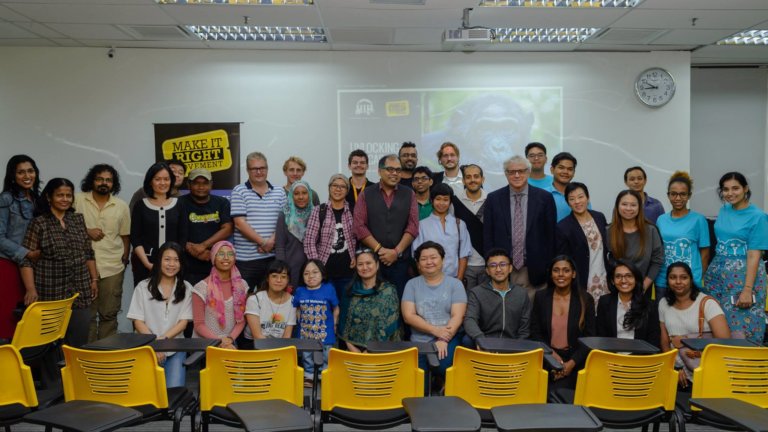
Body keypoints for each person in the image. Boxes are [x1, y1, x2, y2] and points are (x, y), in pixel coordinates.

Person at [20, 178, 97, 348]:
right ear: (49, 197)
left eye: (68, 195)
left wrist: (94, 279)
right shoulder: (39, 223)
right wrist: (30, 289)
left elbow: (88, 252)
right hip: (50, 292)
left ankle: (75, 375)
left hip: (80, 291)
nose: (65, 199)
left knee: (79, 341)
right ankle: (53, 376)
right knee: (50, 344)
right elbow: (26, 259)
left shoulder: (77, 219)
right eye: (60, 195)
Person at [702, 172, 768, 344]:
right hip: (718, 275)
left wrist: (747, 289)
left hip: (743, 277)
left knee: (742, 326)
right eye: (726, 189)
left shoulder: (758, 216)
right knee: (717, 323)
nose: (730, 193)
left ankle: (745, 367)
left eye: (735, 188)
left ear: (745, 189)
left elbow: (754, 254)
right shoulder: (724, 210)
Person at [483, 155, 557, 298]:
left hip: (535, 269)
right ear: (506, 174)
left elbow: (551, 236)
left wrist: (548, 266)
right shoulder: (493, 199)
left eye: (521, 171)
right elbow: (488, 235)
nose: (517, 175)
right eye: (512, 172)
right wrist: (492, 264)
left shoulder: (545, 198)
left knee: (534, 316)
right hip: (503, 269)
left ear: (528, 172)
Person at [74, 164, 130, 342]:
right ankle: (88, 356)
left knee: (109, 314)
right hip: (82, 267)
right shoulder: (77, 200)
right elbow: (64, 225)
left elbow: (125, 236)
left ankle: (106, 355)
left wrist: (124, 260)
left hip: (112, 267)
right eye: (99, 179)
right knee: (86, 316)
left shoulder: (121, 206)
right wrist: (86, 231)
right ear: (92, 180)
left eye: (108, 180)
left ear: (113, 184)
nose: (103, 183)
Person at [126, 242, 193, 387]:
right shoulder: (143, 287)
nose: (171, 264)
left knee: (173, 392)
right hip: (147, 347)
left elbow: (183, 323)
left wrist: (161, 342)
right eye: (167, 259)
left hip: (175, 348)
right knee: (147, 393)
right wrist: (154, 344)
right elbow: (137, 321)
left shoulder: (187, 288)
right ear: (159, 261)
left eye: (176, 260)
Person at [402, 241, 467, 388]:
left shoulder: (455, 284)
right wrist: (436, 331)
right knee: (419, 386)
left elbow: (457, 316)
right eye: (423, 259)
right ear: (418, 264)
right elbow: (408, 316)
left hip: (449, 338)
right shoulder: (411, 285)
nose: (429, 262)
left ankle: (442, 384)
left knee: (442, 365)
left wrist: (443, 338)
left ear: (442, 260)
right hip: (419, 340)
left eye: (433, 257)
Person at [353, 154, 419, 298]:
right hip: (372, 262)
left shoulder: (409, 194)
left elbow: (413, 226)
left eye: (398, 170)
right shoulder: (366, 194)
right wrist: (380, 250)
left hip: (401, 263)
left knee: (399, 302)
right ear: (379, 171)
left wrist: (396, 252)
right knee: (372, 302)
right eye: (390, 169)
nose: (394, 173)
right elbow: (359, 226)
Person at [529, 255, 595, 389]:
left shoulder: (585, 299)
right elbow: (535, 333)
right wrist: (551, 356)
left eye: (566, 270)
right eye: (556, 270)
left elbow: (590, 337)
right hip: (547, 356)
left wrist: (571, 363)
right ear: (551, 274)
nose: (561, 274)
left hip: (576, 360)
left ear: (574, 274)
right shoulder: (541, 297)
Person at [661, 262, 730, 386]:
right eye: (673, 277)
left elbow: (725, 342)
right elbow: (665, 342)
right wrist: (673, 368)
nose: (678, 282)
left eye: (683, 277)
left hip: (704, 368)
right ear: (667, 280)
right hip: (677, 371)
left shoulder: (707, 303)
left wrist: (685, 339)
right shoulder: (663, 303)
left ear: (691, 280)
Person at [231, 152, 286, 289]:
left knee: (270, 301)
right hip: (246, 260)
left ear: (267, 169)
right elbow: (239, 223)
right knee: (242, 301)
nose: (259, 172)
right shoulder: (239, 191)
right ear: (247, 170)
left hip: (273, 258)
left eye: (262, 168)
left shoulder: (279, 192)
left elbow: (285, 222)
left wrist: (270, 242)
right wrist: (262, 242)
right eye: (254, 169)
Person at [0, 155, 40, 340]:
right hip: (8, 266)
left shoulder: (37, 199)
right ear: (13, 175)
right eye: (21, 172)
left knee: (26, 320)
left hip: (31, 267)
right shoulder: (6, 199)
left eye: (30, 171)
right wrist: (26, 253)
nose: (27, 175)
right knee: (7, 319)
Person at [655, 171, 710, 299]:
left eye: (682, 194)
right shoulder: (661, 220)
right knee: (664, 317)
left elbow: (705, 253)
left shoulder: (699, 220)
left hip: (689, 281)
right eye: (673, 194)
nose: (678, 198)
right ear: (668, 195)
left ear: (689, 195)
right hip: (664, 280)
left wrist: (697, 277)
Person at [304, 174, 357, 309]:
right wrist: (317, 267)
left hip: (348, 272)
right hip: (325, 273)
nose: (338, 189)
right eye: (335, 186)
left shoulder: (353, 210)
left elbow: (359, 237)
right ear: (329, 188)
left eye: (342, 186)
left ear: (347, 190)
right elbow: (309, 241)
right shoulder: (319, 210)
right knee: (326, 309)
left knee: (346, 308)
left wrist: (357, 256)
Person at [130, 162, 187, 285]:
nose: (162, 183)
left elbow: (183, 237)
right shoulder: (140, 205)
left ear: (171, 181)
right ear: (150, 181)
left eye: (166, 179)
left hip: (173, 267)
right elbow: (135, 237)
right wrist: (147, 264)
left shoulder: (179, 204)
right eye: (158, 179)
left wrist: (174, 262)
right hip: (144, 264)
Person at [463, 249, 531, 345]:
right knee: (467, 340)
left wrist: (518, 345)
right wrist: (481, 340)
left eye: (503, 264)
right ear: (487, 271)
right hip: (486, 340)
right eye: (493, 266)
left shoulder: (521, 293)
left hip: (512, 342)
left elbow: (524, 327)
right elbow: (470, 320)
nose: (498, 269)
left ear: (510, 268)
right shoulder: (477, 293)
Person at [556, 182, 609, 306]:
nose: (577, 202)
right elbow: (564, 260)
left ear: (587, 197)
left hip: (604, 278)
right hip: (582, 280)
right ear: (568, 202)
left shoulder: (599, 217)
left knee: (604, 315)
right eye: (572, 199)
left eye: (580, 197)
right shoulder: (563, 227)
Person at [339, 249, 402, 352]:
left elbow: (392, 324)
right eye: (360, 264)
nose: (364, 267)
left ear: (377, 265)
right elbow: (343, 324)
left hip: (382, 351)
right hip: (353, 351)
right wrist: (354, 350)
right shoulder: (349, 291)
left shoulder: (388, 291)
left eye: (368, 263)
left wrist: (370, 352)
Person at [180, 168, 233, 286]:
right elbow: (174, 231)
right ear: (188, 184)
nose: (201, 187)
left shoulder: (222, 202)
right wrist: (193, 250)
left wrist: (203, 246)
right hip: (187, 266)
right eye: (196, 183)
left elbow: (228, 229)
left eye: (205, 183)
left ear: (211, 184)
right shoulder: (179, 203)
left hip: (215, 263)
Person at [606, 190, 664, 296]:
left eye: (633, 205)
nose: (628, 208)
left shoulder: (651, 230)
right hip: (617, 290)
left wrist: (643, 286)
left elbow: (657, 261)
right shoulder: (608, 231)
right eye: (624, 204)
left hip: (642, 290)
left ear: (639, 208)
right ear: (617, 206)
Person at [192, 240, 247, 349]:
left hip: (230, 341)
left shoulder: (242, 286)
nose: (226, 258)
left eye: (230, 254)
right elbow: (198, 325)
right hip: (204, 344)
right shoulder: (201, 287)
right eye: (221, 254)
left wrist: (229, 340)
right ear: (213, 258)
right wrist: (220, 341)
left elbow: (241, 321)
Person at [293, 259, 339, 386]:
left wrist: (334, 324)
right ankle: (309, 375)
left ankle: (323, 374)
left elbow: (336, 308)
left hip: (324, 330)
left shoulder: (329, 289)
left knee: (326, 353)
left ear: (322, 274)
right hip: (306, 330)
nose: (310, 276)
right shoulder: (300, 291)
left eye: (315, 272)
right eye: (306, 273)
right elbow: (296, 308)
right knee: (307, 354)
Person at [413, 183, 471, 280]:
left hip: (454, 278)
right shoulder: (422, 225)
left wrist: (459, 280)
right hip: (429, 278)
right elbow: (417, 256)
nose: (441, 203)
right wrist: (426, 280)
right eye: (438, 199)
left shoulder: (460, 224)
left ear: (450, 202)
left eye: (445, 199)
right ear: (432, 200)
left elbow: (464, 254)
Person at [596, 260, 660, 348]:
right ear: (612, 281)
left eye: (629, 276)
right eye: (618, 276)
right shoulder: (605, 302)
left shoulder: (649, 304)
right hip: (612, 356)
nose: (623, 280)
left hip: (640, 358)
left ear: (636, 279)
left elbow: (653, 339)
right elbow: (601, 336)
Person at [243, 260, 296, 345]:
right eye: (274, 276)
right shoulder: (254, 299)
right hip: (254, 345)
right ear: (268, 278)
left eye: (283, 277)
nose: (279, 280)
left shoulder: (293, 301)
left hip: (280, 344)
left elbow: (287, 336)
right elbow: (257, 336)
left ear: (288, 280)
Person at [454, 164, 488, 289]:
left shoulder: (492, 200)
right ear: (463, 180)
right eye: (468, 177)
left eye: (476, 176)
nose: (472, 180)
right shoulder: (454, 202)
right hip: (463, 266)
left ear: (482, 179)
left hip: (488, 264)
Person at [275, 180, 313, 287]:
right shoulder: (285, 215)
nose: (301, 197)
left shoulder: (316, 214)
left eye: (304, 193)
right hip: (291, 268)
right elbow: (280, 246)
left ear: (309, 194)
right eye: (296, 193)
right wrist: (282, 272)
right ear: (291, 196)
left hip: (312, 269)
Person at [545, 152, 587, 222]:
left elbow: (588, 219)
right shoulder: (542, 194)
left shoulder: (581, 195)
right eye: (561, 168)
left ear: (574, 173)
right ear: (552, 170)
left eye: (570, 169)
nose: (565, 172)